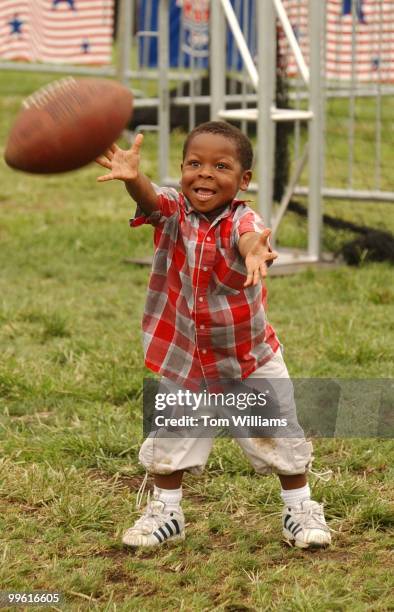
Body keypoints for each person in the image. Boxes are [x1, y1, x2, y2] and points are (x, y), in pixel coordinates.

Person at [96, 121, 331, 550]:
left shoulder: (245, 219)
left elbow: (248, 238)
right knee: (172, 435)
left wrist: (255, 250)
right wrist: (134, 180)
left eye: (220, 166)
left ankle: (300, 509)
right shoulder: (173, 210)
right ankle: (166, 512)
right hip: (185, 356)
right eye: (194, 163)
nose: (204, 173)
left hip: (246, 357)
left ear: (243, 181)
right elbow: (152, 199)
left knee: (279, 435)